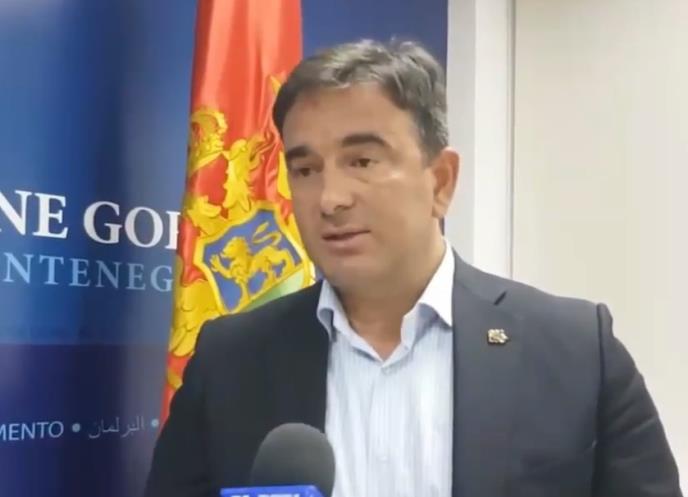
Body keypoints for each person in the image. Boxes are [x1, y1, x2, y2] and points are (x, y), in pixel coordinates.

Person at [144, 39, 682, 497]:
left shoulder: (577, 351)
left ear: (441, 181)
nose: (330, 198)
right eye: (305, 169)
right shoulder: (230, 360)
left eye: (362, 161)